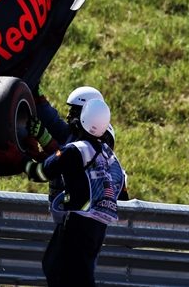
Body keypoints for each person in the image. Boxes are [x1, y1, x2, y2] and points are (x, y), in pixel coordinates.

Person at [24, 98, 125, 287]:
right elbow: (122, 192)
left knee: (59, 272)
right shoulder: (109, 156)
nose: (70, 118)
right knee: (75, 274)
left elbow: (41, 172)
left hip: (78, 223)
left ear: (83, 119)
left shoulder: (76, 150)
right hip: (99, 228)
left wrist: (21, 160)